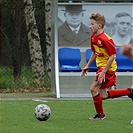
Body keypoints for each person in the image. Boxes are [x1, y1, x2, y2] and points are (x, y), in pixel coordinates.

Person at [81, 13, 133, 120]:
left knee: (93, 89)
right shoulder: (94, 37)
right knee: (103, 95)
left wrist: (103, 71)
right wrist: (87, 66)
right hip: (102, 67)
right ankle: (129, 91)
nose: (90, 26)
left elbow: (112, 56)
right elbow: (95, 53)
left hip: (108, 68)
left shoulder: (106, 39)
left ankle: (100, 115)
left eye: (92, 24)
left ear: (99, 26)